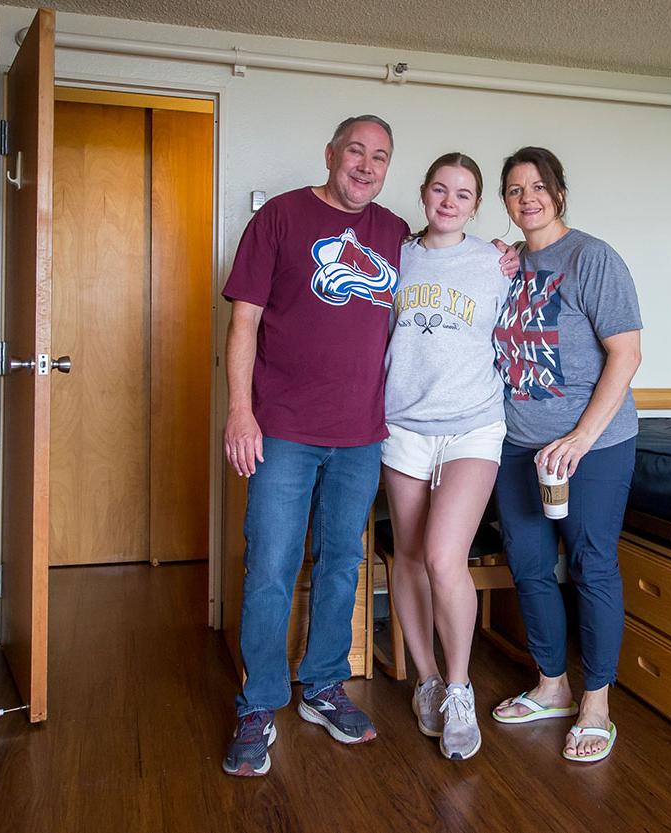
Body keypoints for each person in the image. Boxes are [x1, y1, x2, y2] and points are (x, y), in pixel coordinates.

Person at [220, 115, 410, 777]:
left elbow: (443, 282)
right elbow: (243, 320)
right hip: (283, 430)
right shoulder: (279, 218)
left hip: (361, 434)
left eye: (379, 156)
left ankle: (323, 683)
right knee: (271, 564)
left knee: (341, 563)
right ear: (330, 154)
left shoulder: (395, 233)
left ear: (388, 167)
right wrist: (241, 413)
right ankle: (260, 700)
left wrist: (498, 254)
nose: (365, 164)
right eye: (355, 150)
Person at [488, 147, 644, 764]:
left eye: (538, 186)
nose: (527, 198)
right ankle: (552, 687)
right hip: (518, 446)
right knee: (528, 565)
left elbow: (626, 355)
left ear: (558, 192)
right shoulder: (505, 264)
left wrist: (579, 439)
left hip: (594, 446)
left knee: (591, 564)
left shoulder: (593, 258)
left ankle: (597, 703)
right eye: (514, 189)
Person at [382, 153, 509, 761]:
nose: (450, 201)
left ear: (476, 205)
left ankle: (460, 689)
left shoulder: (497, 262)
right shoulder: (395, 255)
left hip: (472, 427)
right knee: (407, 555)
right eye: (440, 189)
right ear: (425, 193)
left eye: (463, 193)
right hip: (403, 425)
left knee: (441, 555)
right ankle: (427, 679)